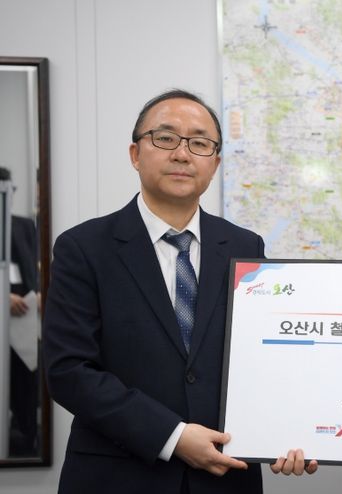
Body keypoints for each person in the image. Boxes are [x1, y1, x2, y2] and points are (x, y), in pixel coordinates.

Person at [43, 89, 316, 493]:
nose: (182, 154)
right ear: (136, 154)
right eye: (166, 138)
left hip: (225, 478)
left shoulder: (245, 246)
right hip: (118, 477)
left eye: (200, 143)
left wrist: (291, 430)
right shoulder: (83, 248)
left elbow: (264, 358)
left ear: (215, 163)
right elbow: (69, 371)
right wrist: (173, 436)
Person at [0, 166, 40, 456]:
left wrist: (39, 292)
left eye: (11, 191)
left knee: (27, 385)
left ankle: (26, 441)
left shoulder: (25, 226)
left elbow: (36, 265)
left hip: (27, 318)